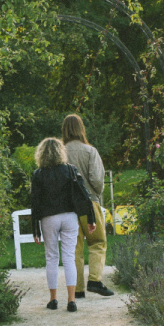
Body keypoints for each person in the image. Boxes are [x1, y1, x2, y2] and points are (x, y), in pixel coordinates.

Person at [31, 137, 97, 313]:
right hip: (69, 216)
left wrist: (34, 228)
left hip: (48, 218)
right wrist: (91, 219)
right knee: (69, 257)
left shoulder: (38, 174)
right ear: (61, 152)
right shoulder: (70, 170)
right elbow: (84, 194)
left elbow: (35, 203)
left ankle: (53, 299)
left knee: (51, 258)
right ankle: (71, 300)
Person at [62, 114, 115, 298]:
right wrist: (95, 194)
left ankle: (77, 289)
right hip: (89, 202)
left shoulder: (60, 152)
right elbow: (97, 180)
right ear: (81, 128)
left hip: (68, 207)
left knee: (74, 248)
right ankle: (94, 280)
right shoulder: (90, 151)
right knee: (97, 242)